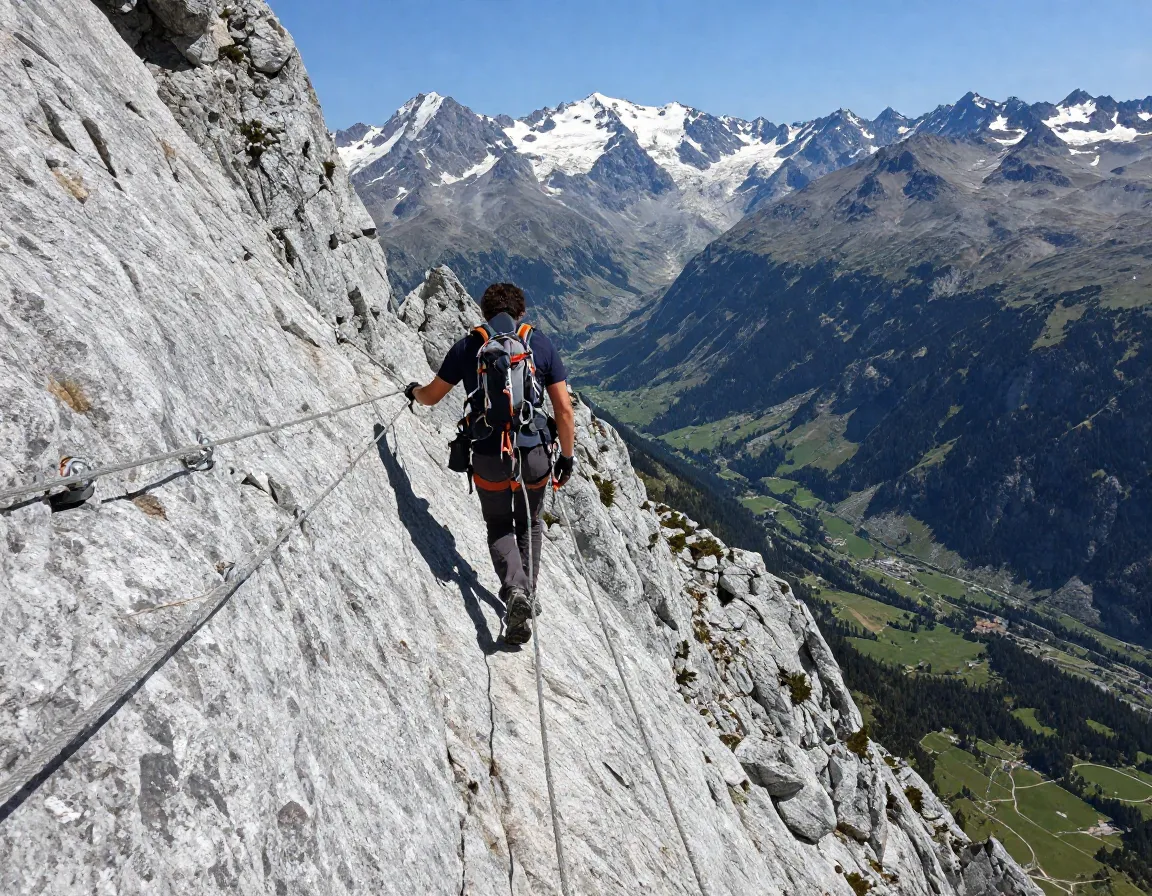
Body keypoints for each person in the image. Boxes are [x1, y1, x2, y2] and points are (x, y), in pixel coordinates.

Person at [404, 283, 576, 644]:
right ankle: (525, 593)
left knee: (499, 524)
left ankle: (515, 591)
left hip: (488, 455)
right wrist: (566, 457)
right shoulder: (538, 344)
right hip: (533, 454)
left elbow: (432, 397)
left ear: (484, 312)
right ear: (521, 312)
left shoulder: (470, 347)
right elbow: (563, 409)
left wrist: (412, 391)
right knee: (529, 523)